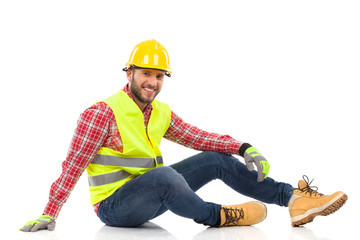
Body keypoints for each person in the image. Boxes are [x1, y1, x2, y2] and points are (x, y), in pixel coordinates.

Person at [20, 39, 347, 232]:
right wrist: (51, 211)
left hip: (154, 193)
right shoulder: (102, 114)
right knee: (165, 175)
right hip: (115, 208)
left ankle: (293, 200)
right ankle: (218, 215)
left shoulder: (159, 112)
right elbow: (73, 165)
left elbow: (198, 137)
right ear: (129, 73)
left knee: (216, 159)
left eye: (159, 76)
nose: (152, 82)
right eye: (146, 74)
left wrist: (243, 146)